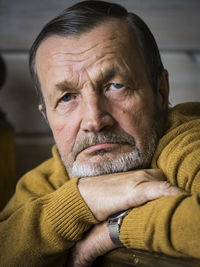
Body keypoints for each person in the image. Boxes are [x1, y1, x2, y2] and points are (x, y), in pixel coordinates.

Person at [0, 1, 200, 266]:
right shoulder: (50, 177)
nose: (94, 120)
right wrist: (82, 200)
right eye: (67, 97)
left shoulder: (186, 142)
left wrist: (114, 231)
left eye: (116, 86)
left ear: (160, 92)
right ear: (46, 117)